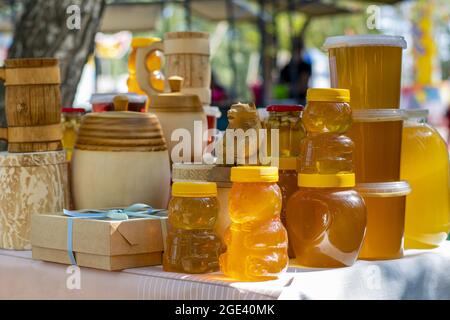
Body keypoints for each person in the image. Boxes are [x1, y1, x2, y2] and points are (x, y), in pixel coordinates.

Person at [279, 37, 312, 105]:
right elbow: (282, 87)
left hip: (303, 100)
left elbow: (303, 86)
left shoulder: (306, 66)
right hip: (288, 101)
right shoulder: (285, 68)